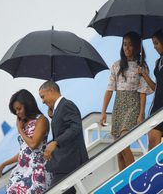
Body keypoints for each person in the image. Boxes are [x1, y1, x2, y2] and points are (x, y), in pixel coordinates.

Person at [100, 31, 152, 171]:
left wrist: (141, 114)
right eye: (124, 44)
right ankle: (124, 182)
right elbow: (109, 90)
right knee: (119, 150)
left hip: (133, 105)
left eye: (130, 45)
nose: (127, 48)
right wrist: (103, 112)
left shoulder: (142, 67)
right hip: (118, 106)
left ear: (136, 46)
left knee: (124, 142)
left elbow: (143, 93)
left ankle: (135, 177)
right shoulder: (116, 66)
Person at [0, 89, 52, 194]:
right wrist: (4, 164)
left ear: (28, 104)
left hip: (37, 170)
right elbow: (25, 151)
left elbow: (34, 145)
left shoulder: (41, 120)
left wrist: (20, 130)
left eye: (19, 109)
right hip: (22, 171)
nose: (17, 113)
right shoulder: (24, 124)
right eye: (15, 111)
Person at [39, 81, 89, 194]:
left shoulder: (66, 105)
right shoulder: (59, 108)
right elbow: (65, 128)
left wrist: (55, 142)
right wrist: (53, 115)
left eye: (43, 96)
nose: (42, 101)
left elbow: (75, 128)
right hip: (64, 163)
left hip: (69, 162)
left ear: (51, 90)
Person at [138, 29, 163, 150]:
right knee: (152, 144)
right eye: (153, 43)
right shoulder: (158, 62)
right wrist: (144, 74)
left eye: (156, 43)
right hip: (157, 107)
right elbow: (156, 87)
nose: (154, 47)